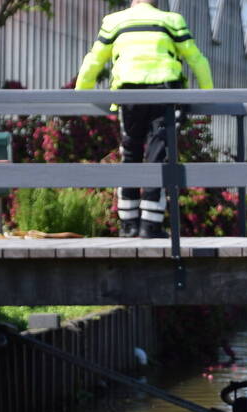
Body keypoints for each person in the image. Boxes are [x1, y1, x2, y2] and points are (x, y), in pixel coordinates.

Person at [75, 0, 213, 239]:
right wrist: (209, 97)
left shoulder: (114, 21)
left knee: (130, 153)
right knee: (157, 156)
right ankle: (151, 226)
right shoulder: (171, 21)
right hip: (164, 97)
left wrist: (81, 93)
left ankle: (128, 225)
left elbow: (93, 61)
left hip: (129, 96)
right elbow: (197, 60)